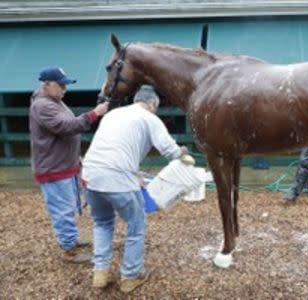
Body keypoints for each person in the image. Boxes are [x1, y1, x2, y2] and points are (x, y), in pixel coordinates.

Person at [82, 85, 189, 293]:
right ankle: (131, 276)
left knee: (102, 223)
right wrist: (182, 152)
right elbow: (170, 151)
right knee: (135, 226)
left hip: (91, 175)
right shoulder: (150, 118)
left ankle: (100, 272)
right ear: (152, 105)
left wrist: (135, 174)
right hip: (118, 180)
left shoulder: (113, 115)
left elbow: (115, 150)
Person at [29, 66, 109, 263]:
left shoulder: (54, 101)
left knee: (69, 205)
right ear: (47, 85)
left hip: (64, 165)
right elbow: (66, 127)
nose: (65, 90)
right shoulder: (43, 106)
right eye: (61, 85)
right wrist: (94, 114)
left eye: (66, 85)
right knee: (63, 209)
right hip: (54, 169)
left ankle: (70, 240)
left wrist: (76, 159)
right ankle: (68, 250)